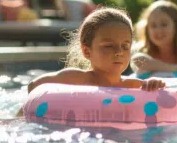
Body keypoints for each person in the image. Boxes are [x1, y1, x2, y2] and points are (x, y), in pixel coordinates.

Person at [26, 8, 166, 95]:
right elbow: (34, 85)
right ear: (87, 52)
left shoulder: (132, 85)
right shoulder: (76, 78)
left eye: (125, 46)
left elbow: (156, 91)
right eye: (109, 46)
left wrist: (153, 84)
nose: (119, 52)